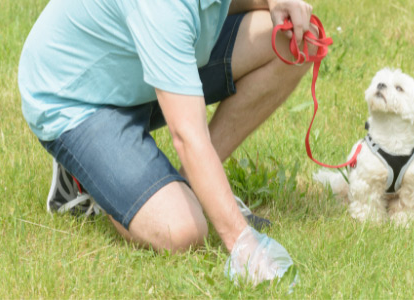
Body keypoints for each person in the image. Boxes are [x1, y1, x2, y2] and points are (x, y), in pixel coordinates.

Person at [18, 0, 314, 283]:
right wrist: (244, 244)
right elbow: (187, 135)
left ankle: (190, 186)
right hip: (78, 99)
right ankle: (84, 175)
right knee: (181, 231)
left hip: (139, 65)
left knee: (296, 39)